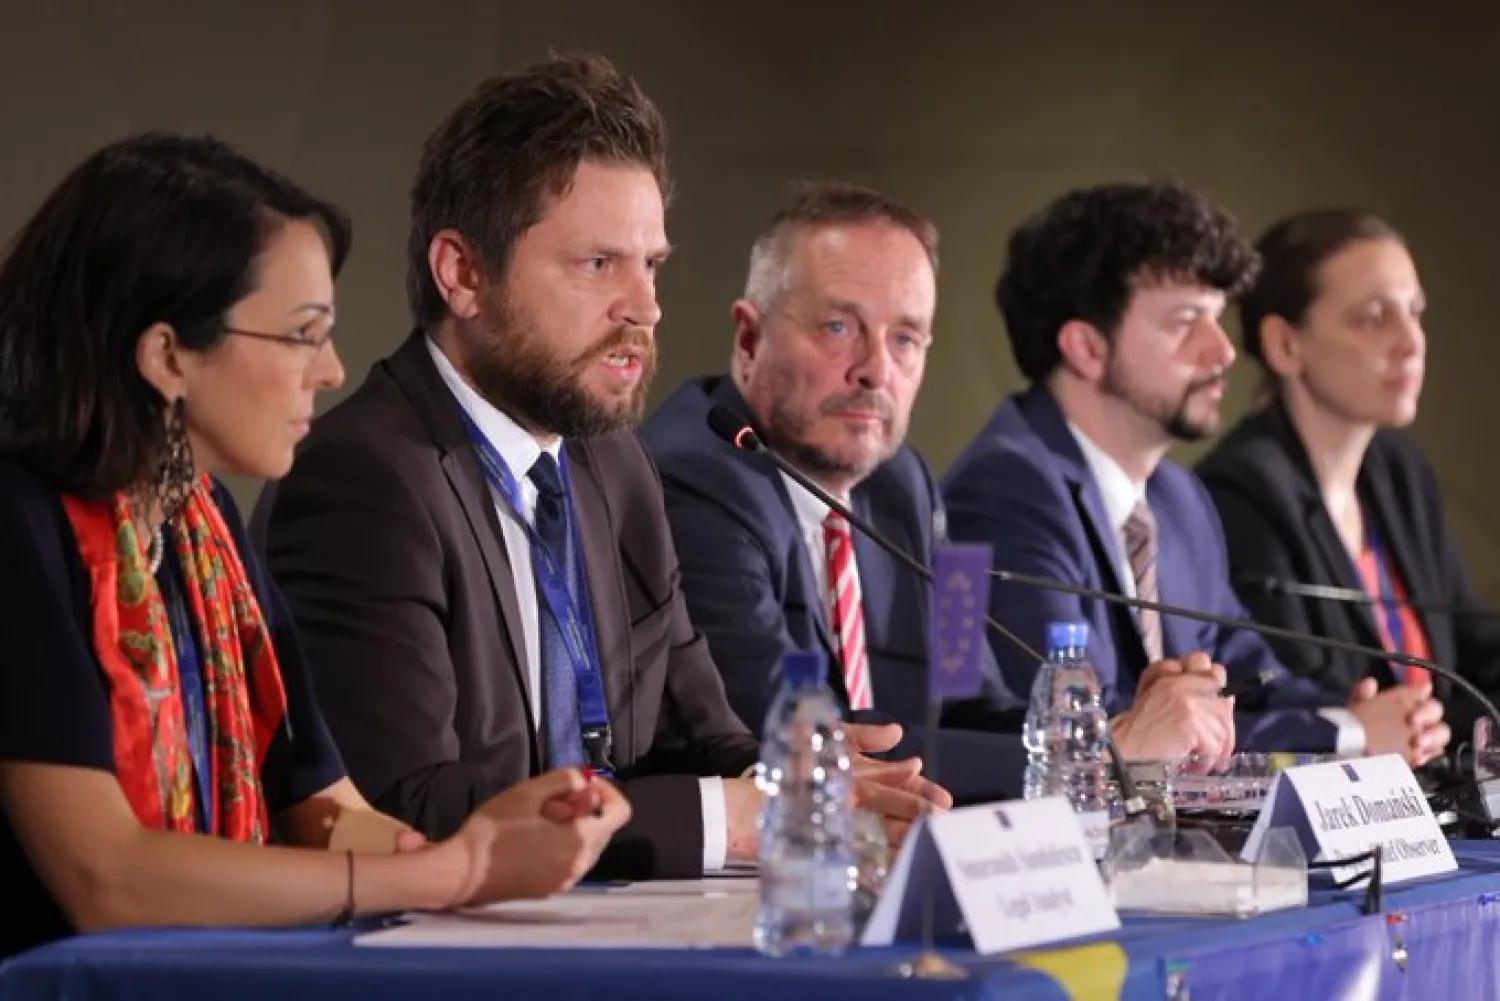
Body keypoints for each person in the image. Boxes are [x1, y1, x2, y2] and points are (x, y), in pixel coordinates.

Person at [253, 54, 947, 879]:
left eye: (649, 264)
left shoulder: (614, 464)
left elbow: (698, 733)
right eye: (598, 264)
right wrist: (726, 815)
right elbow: (403, 804)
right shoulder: (362, 482)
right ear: (464, 273)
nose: (645, 307)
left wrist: (805, 777)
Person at [0, 133, 630, 960]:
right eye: (302, 333)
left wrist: (487, 837)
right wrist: (448, 872)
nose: (331, 369)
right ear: (166, 355)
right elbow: (107, 879)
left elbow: (326, 813)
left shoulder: (207, 523)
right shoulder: (20, 524)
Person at [640, 181, 1240, 785]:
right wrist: (1102, 752)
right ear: (748, 338)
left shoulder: (904, 483)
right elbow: (799, 744)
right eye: (837, 327)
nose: (876, 370)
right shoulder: (697, 482)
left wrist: (1100, 729)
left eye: (904, 338)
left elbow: (974, 696)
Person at [942, 180, 1446, 763]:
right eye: (1185, 322)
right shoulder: (1002, 492)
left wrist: (1357, 714)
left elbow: (1253, 680)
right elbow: (1072, 727)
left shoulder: (1179, 498)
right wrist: (1348, 736)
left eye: (1216, 316)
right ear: (1086, 348)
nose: (1222, 351)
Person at [1197, 208, 1466, 760]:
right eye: (1374, 318)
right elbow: (1283, 689)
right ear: (1284, 346)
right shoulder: (1240, 492)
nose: (1411, 341)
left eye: (1415, 313)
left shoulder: (1399, 472)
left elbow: (1471, 654)